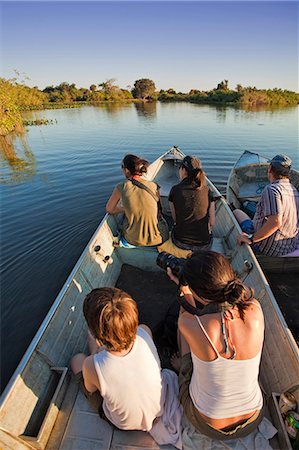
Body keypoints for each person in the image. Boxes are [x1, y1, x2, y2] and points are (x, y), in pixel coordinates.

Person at [167, 250, 265, 440]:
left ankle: (183, 369)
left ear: (200, 294)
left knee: (188, 342)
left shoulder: (192, 324)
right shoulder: (255, 310)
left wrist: (184, 289)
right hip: (254, 417)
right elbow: (241, 291)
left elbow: (188, 310)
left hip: (209, 425)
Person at [71, 287, 182, 447]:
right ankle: (102, 354)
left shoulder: (91, 365)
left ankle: (98, 352)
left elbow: (91, 388)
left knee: (77, 360)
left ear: (96, 333)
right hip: (161, 404)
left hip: (126, 424)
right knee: (98, 366)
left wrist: (96, 353)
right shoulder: (144, 331)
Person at [236, 154, 299, 256]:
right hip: (289, 247)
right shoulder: (293, 190)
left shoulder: (271, 189)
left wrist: (251, 239)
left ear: (270, 169)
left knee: (237, 212)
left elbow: (275, 222)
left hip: (268, 249)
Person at [106, 154, 168, 247]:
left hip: (133, 240)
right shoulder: (154, 186)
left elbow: (110, 209)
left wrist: (125, 209)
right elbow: (158, 205)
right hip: (159, 238)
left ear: (126, 170)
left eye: (122, 167)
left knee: (124, 219)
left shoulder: (121, 186)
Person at [168, 156, 215, 252]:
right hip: (204, 245)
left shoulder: (175, 190)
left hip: (181, 242)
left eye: (179, 168)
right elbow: (212, 222)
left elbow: (175, 219)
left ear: (184, 171)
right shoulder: (207, 191)